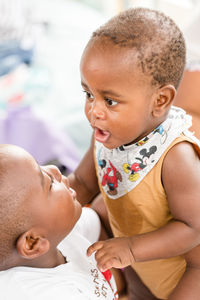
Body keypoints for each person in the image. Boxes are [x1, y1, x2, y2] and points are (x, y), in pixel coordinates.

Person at [68, 7, 200, 300]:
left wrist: (130, 248)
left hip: (185, 269)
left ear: (160, 100)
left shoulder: (176, 157)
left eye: (110, 100)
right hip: (137, 251)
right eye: (88, 94)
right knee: (96, 210)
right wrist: (47, 199)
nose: (94, 110)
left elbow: (193, 227)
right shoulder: (105, 131)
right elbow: (83, 182)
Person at [0, 144, 118, 300]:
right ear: (32, 242)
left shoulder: (51, 233)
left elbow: (88, 192)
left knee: (112, 203)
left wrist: (102, 137)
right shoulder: (53, 295)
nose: (55, 169)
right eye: (48, 183)